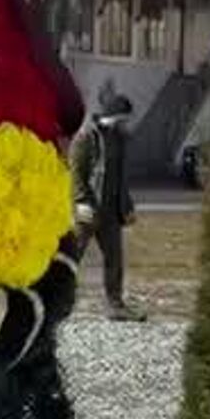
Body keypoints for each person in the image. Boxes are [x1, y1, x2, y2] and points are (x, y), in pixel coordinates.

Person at [70, 92, 143, 322]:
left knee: (115, 258)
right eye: (122, 118)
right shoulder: (86, 137)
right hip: (89, 210)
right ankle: (55, 299)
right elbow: (75, 173)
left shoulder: (120, 138)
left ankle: (115, 305)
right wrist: (81, 201)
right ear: (112, 116)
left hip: (112, 212)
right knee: (73, 257)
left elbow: (121, 177)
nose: (125, 123)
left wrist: (128, 206)